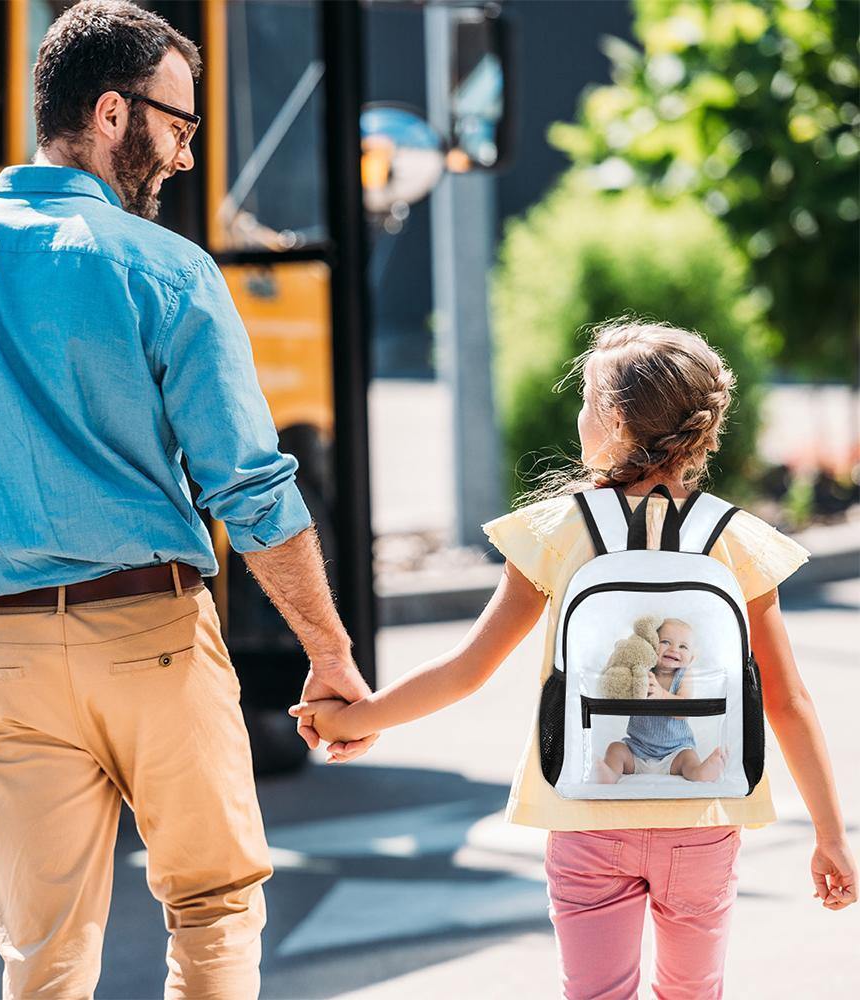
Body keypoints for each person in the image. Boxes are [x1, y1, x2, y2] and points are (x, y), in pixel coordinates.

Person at [0, 2, 374, 997]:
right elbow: (250, 486)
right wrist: (328, 652)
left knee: (43, 949)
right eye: (178, 126)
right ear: (110, 112)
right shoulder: (166, 268)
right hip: (149, 633)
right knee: (213, 902)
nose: (184, 156)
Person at [291, 319, 857, 998]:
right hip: (703, 821)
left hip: (589, 809)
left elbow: (468, 668)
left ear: (614, 420)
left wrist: (353, 720)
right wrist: (829, 835)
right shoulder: (733, 540)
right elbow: (788, 702)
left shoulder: (559, 531)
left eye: (588, 402)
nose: (582, 416)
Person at [595, 616, 730, 784]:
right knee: (615, 749)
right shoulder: (642, 671)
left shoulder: (684, 675)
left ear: (691, 658)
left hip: (674, 753)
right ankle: (609, 774)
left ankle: (700, 773)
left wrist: (662, 695)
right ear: (652, 645)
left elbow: (684, 711)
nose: (674, 649)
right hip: (637, 750)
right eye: (665, 642)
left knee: (689, 757)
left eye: (683, 646)